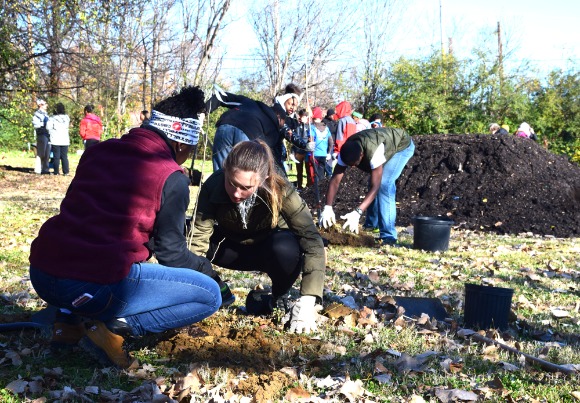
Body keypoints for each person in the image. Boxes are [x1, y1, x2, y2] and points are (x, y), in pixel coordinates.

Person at [29, 86, 222, 369]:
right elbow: (172, 254)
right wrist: (207, 270)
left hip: (43, 273)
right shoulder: (172, 176)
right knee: (208, 295)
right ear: (182, 142)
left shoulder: (99, 151)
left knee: (88, 251)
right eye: (191, 147)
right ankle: (110, 330)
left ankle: (67, 324)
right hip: (93, 283)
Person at [189, 140, 325, 334]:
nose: (236, 193)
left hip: (269, 249)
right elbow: (197, 238)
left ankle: (279, 295)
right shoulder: (213, 185)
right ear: (225, 170)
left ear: (264, 179)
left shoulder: (281, 190)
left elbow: (311, 241)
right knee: (179, 233)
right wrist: (194, 285)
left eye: (245, 187)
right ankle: (218, 289)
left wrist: (308, 298)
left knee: (286, 248)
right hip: (229, 248)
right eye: (231, 183)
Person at [321, 127, 415, 245]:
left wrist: (357, 212)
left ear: (361, 155)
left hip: (401, 146)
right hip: (384, 144)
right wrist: (327, 207)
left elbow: (376, 186)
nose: (354, 167)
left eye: (355, 164)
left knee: (384, 184)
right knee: (373, 182)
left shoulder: (374, 152)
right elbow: (335, 180)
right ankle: (371, 226)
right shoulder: (345, 152)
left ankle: (389, 236)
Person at [205, 85, 307, 173]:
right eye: (291, 104)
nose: (293, 108)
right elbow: (289, 134)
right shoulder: (278, 121)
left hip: (224, 127)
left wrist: (202, 111)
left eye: (295, 106)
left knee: (220, 173)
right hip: (248, 134)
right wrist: (305, 145)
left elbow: (221, 96)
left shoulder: (251, 103)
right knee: (245, 175)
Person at [310, 107, 334, 179]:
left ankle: (317, 189)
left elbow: (311, 141)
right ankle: (322, 188)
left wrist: (311, 153)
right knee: (322, 173)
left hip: (315, 154)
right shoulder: (326, 128)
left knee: (316, 174)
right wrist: (329, 153)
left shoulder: (312, 127)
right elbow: (331, 142)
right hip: (324, 154)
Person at [47, 103, 70, 176]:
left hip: (55, 139)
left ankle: (56, 172)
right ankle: (66, 171)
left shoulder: (52, 118)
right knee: (64, 157)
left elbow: (48, 127)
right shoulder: (66, 118)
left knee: (56, 157)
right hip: (65, 140)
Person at [32, 99, 51, 175]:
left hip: (48, 135)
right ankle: (38, 169)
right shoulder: (36, 114)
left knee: (47, 153)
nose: (47, 105)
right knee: (41, 153)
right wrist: (45, 124)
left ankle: (45, 169)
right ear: (40, 105)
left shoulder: (46, 114)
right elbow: (36, 125)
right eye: (45, 104)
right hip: (41, 135)